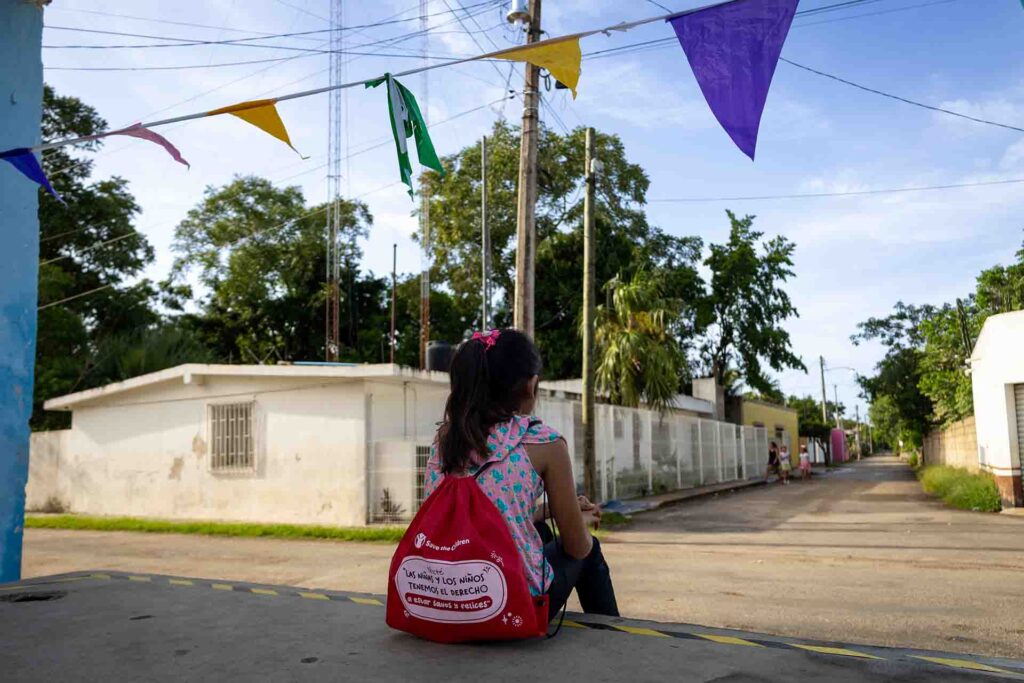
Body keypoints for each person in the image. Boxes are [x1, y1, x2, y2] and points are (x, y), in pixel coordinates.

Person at [423, 328, 619, 620]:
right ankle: (615, 642)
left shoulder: (445, 440)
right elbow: (577, 547)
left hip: (439, 596)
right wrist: (579, 521)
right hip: (507, 609)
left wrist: (547, 512)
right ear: (530, 386)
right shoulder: (544, 442)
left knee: (539, 532)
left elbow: (483, 519)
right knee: (590, 548)